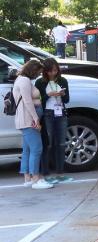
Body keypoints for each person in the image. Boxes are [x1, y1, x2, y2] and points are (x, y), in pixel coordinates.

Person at [14, 60, 53, 189]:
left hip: (25, 118)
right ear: (32, 70)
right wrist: (36, 119)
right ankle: (35, 179)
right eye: (38, 72)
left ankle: (27, 178)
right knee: (37, 148)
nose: (38, 75)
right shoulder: (24, 81)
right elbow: (27, 101)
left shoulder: (21, 79)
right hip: (28, 119)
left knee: (27, 149)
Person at [35, 59, 71, 183]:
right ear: (45, 71)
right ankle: (45, 173)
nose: (53, 73)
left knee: (61, 143)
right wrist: (49, 95)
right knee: (47, 143)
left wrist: (61, 94)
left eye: (55, 70)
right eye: (50, 71)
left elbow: (67, 100)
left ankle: (60, 172)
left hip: (60, 112)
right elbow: (38, 100)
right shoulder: (40, 82)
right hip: (47, 113)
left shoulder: (62, 80)